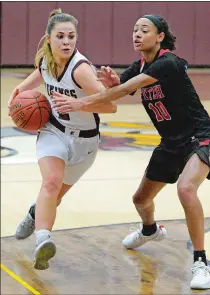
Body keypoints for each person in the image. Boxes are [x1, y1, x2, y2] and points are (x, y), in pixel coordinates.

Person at [51, 15, 210, 289]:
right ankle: (150, 230)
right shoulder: (140, 65)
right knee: (141, 200)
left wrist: (80, 103)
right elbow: (118, 85)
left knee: (186, 188)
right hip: (170, 143)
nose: (137, 34)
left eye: (145, 30)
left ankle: (200, 261)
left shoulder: (169, 63)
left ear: (160, 36)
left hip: (199, 137)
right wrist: (111, 80)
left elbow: (123, 90)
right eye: (134, 30)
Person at [8, 8, 117, 270]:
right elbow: (35, 79)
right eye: (61, 36)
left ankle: (34, 214)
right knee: (51, 183)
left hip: (86, 142)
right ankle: (43, 241)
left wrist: (78, 104)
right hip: (53, 131)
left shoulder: (80, 70)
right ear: (49, 39)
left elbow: (110, 107)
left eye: (71, 36)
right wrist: (19, 93)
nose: (66, 41)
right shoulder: (46, 61)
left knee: (54, 197)